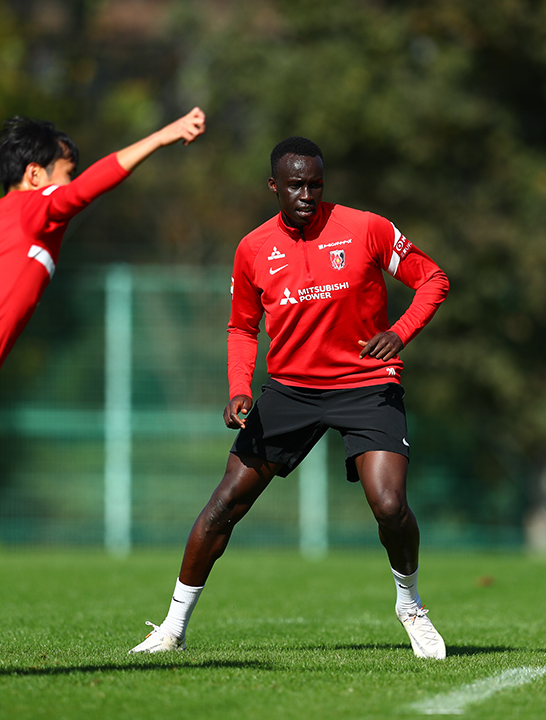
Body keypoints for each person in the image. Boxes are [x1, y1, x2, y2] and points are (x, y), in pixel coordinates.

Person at [130, 136, 450, 659]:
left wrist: (401, 332)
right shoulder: (253, 248)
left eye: (315, 184)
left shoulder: (366, 228)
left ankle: (411, 607)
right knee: (223, 505)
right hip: (291, 390)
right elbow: (241, 328)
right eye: (296, 185)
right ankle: (172, 628)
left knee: (390, 506)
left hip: (366, 383)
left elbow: (433, 279)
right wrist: (239, 390)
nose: (307, 194)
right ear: (274, 186)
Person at [0, 107, 206, 635]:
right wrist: (163, 136)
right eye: (65, 171)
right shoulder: (31, 210)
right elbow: (86, 191)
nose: (71, 183)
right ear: (35, 175)